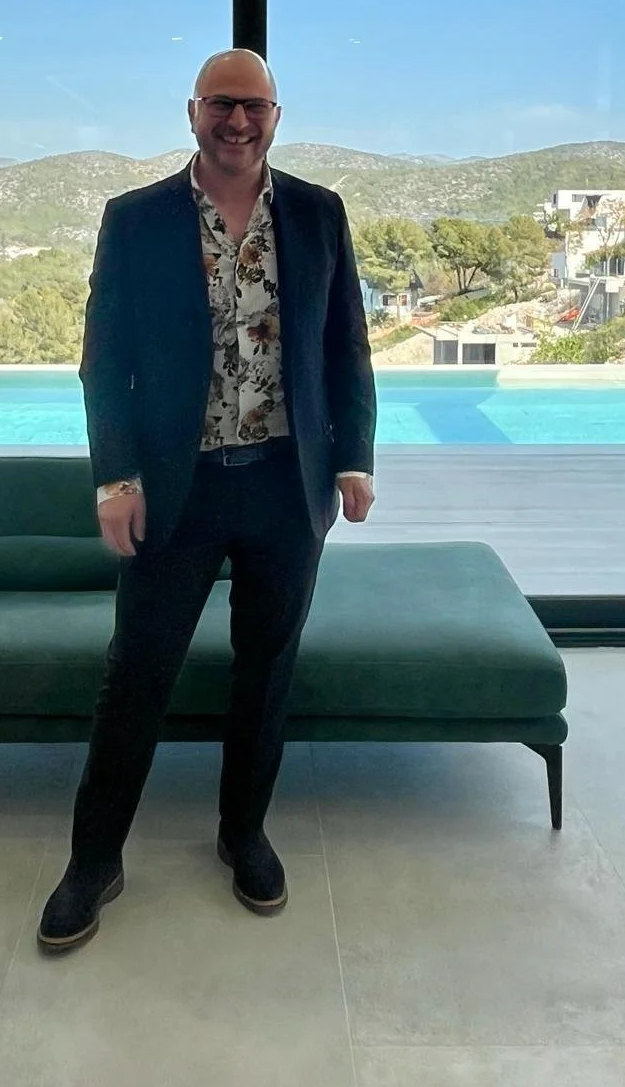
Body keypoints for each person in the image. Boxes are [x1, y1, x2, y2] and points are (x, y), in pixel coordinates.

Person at [38, 48, 377, 952]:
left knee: (267, 669)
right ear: (192, 112)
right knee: (137, 674)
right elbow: (105, 359)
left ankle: (243, 835)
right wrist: (117, 478)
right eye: (222, 104)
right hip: (174, 488)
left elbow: (345, 346)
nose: (238, 121)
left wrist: (354, 458)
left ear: (276, 117)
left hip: (285, 485)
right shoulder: (137, 218)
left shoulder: (318, 213)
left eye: (254, 106)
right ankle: (93, 860)